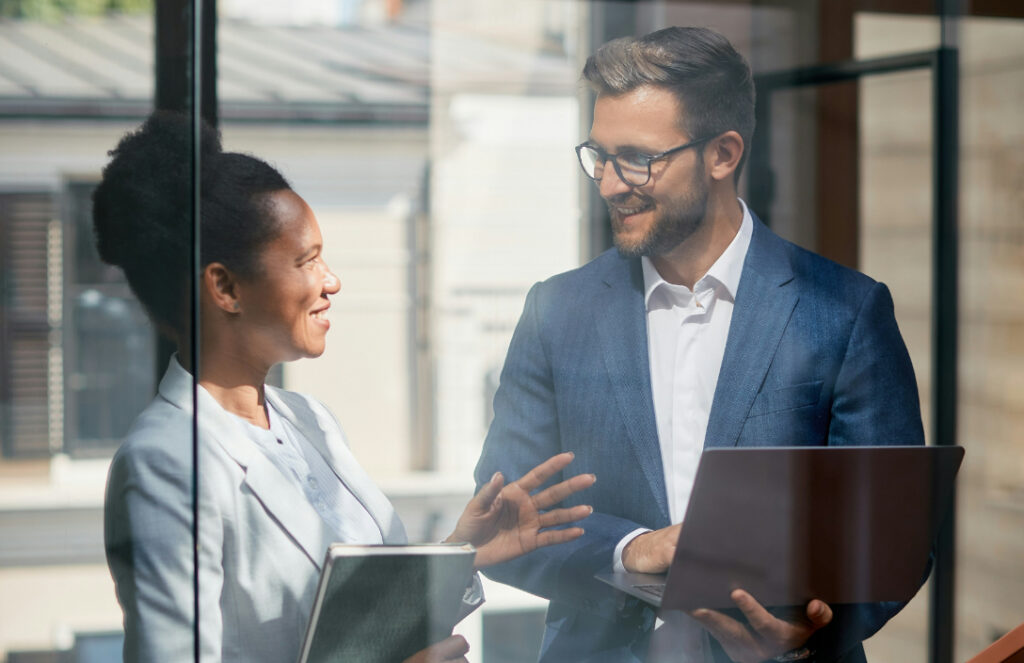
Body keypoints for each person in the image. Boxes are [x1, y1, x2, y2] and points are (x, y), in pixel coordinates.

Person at [473, 26, 925, 663]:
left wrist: (807, 630)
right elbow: (506, 517)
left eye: (638, 158)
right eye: (598, 155)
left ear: (723, 154)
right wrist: (634, 550)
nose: (607, 183)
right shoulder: (556, 311)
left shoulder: (846, 310)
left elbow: (894, 531)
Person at [96, 112, 596, 663]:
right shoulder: (165, 461)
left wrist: (463, 551)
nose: (331, 280)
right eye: (307, 260)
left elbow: (361, 623)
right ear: (225, 286)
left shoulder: (309, 420)